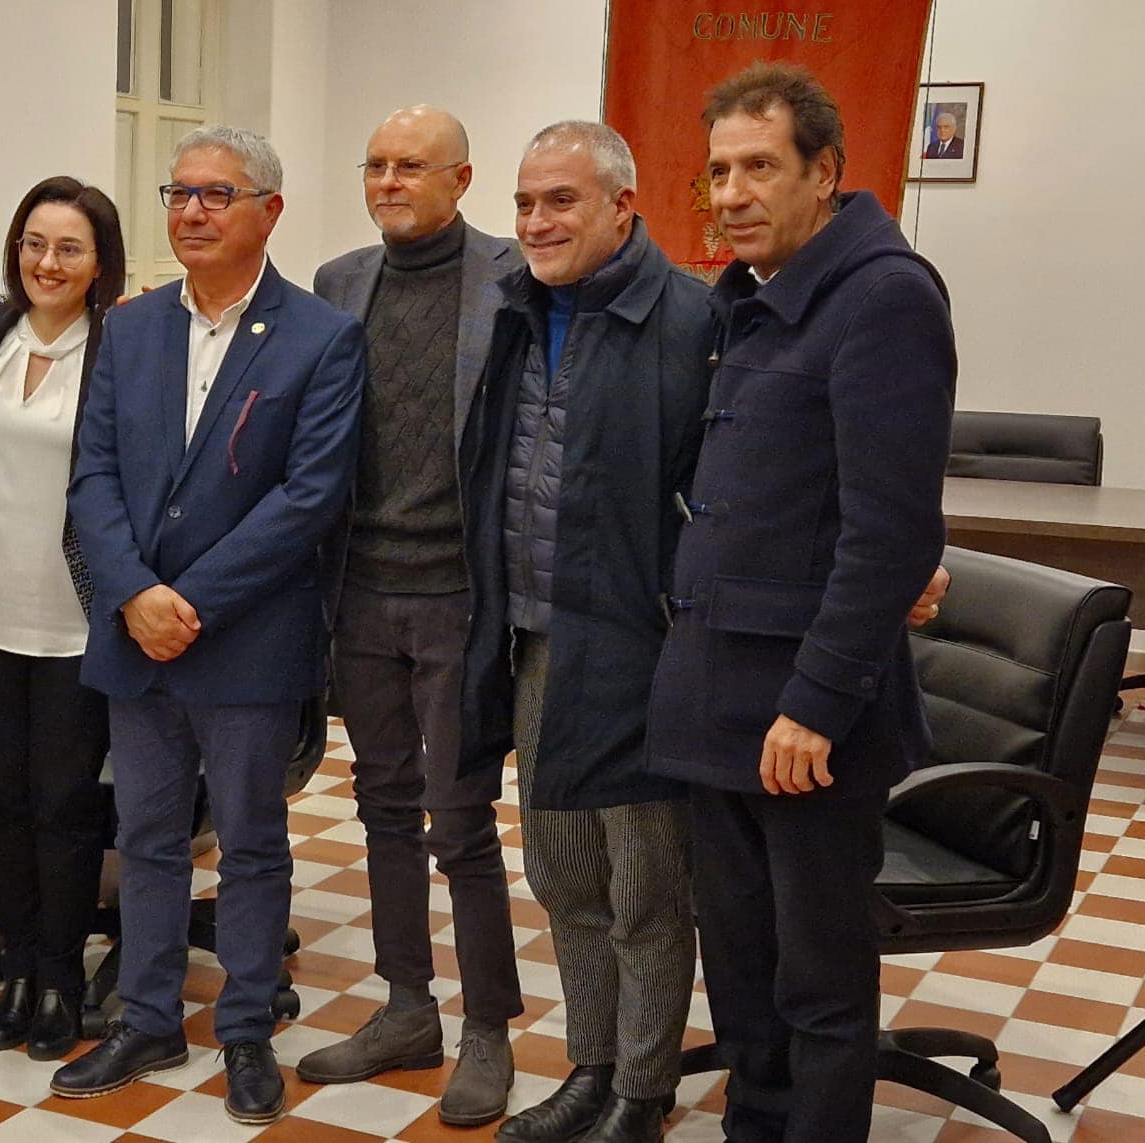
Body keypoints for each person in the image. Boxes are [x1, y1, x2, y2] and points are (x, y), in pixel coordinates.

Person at [645, 62, 956, 1143]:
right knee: (739, 971)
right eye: (718, 170)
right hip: (717, 699)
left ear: (824, 172)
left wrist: (816, 704)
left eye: (759, 167)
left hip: (804, 720)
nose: (730, 192)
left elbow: (891, 534)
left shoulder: (881, 296)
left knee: (818, 984)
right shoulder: (753, 298)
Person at [52, 125, 365, 1126]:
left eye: (215, 195)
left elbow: (308, 497)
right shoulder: (131, 327)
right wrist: (136, 593)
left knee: (252, 845)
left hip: (246, 641)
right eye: (178, 193)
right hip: (134, 633)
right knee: (145, 837)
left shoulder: (320, 337)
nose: (190, 211)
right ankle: (146, 1017)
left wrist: (192, 601)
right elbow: (91, 475)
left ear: (267, 211)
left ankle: (243, 1032)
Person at [459, 120, 712, 1143]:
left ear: (622, 206)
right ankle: (591, 1068)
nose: (534, 221)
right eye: (523, 202)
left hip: (638, 655)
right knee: (562, 877)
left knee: (644, 891)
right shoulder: (517, 310)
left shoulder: (692, 320)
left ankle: (643, 1094)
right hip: (527, 640)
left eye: (558, 200)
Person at [296, 105, 523, 1127]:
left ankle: (487, 1029)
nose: (388, 181)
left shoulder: (516, 281)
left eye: (410, 166)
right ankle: (403, 1008)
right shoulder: (339, 284)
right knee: (381, 807)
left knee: (460, 820)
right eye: (375, 164)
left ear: (461, 179)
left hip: (461, 596)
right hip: (361, 591)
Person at [0, 177, 125, 1060]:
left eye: (69, 249)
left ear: (100, 265)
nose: (47, 263)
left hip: (75, 623)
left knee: (64, 805)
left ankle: (60, 974)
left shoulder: (121, 347)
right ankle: (16, 962)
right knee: (2, 803)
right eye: (34, 243)